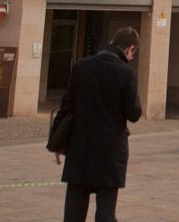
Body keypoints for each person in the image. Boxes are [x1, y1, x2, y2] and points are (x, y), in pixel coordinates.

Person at [59, 26, 143, 222]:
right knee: (106, 212)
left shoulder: (80, 66)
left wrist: (58, 141)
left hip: (80, 148)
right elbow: (134, 114)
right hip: (109, 151)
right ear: (130, 49)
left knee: (73, 212)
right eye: (133, 53)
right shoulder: (126, 73)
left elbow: (66, 107)